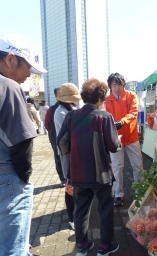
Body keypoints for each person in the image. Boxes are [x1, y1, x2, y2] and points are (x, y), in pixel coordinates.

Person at [0, 33, 47, 256]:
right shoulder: (5, 86)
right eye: (28, 68)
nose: (27, 75)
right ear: (11, 59)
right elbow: (22, 142)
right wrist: (22, 179)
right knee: (13, 251)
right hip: (1, 182)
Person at [57, 78, 121, 256]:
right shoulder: (105, 117)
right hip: (101, 173)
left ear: (84, 96)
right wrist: (118, 142)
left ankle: (82, 246)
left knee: (81, 209)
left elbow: (61, 142)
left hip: (78, 173)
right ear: (101, 98)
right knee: (106, 208)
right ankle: (106, 246)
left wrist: (72, 153)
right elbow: (114, 146)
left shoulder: (70, 116)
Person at [105, 73, 143, 206]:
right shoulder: (106, 100)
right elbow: (106, 116)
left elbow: (134, 112)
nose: (117, 88)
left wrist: (121, 122)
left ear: (124, 85)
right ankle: (118, 194)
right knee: (117, 167)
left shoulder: (132, 96)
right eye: (114, 85)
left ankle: (140, 191)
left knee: (137, 165)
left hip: (132, 136)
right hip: (116, 139)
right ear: (110, 86)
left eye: (119, 84)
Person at [54, 82, 81, 230]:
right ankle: (71, 217)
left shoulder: (70, 109)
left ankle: (75, 214)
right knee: (69, 185)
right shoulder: (61, 112)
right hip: (66, 153)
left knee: (74, 184)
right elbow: (70, 133)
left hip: (73, 152)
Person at [44, 88, 65, 186]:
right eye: (59, 95)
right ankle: (63, 179)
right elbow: (47, 125)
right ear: (56, 97)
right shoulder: (51, 109)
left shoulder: (70, 107)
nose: (61, 96)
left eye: (63, 94)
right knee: (58, 157)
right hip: (55, 137)